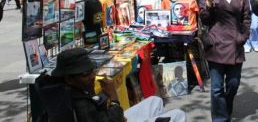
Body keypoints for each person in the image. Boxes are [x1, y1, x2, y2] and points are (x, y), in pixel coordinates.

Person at [36, 48, 186, 122]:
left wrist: (105, 99)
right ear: (69, 78)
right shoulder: (78, 103)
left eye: (91, 71)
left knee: (156, 101)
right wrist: (113, 98)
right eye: (85, 74)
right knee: (178, 115)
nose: (92, 76)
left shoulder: (67, 91)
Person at [198, 0, 250, 122]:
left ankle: (225, 109)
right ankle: (220, 118)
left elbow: (246, 19)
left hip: (235, 45)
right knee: (216, 89)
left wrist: (242, 37)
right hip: (216, 45)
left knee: (233, 84)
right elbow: (205, 21)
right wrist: (208, 3)